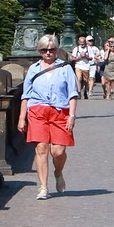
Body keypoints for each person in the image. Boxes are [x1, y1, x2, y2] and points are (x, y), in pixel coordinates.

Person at [17, 34, 79, 200]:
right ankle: (43, 187)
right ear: (40, 51)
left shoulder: (65, 68)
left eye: (51, 50)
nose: (48, 53)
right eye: (44, 50)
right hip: (38, 112)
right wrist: (22, 117)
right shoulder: (34, 69)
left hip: (60, 112)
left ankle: (58, 173)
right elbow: (26, 95)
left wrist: (72, 116)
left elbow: (73, 93)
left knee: (58, 151)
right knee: (41, 148)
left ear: (56, 50)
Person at [71, 34, 97, 100]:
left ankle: (85, 91)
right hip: (78, 66)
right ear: (79, 42)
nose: (82, 45)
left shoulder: (89, 49)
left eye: (83, 43)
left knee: (86, 81)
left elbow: (91, 58)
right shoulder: (76, 49)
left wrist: (85, 56)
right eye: (81, 43)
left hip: (86, 66)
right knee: (78, 79)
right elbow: (73, 59)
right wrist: (80, 57)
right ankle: (79, 92)